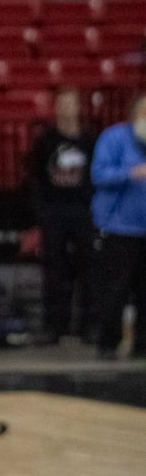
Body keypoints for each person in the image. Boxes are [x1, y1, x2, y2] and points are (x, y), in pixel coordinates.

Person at [27, 88, 96, 342]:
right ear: (56, 109)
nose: (67, 109)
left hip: (83, 212)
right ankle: (54, 326)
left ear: (79, 108)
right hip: (54, 213)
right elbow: (36, 178)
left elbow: (95, 177)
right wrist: (42, 212)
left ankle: (88, 326)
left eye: (71, 104)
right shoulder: (46, 141)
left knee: (88, 270)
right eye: (62, 104)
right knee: (54, 271)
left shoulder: (90, 140)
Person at [91, 93, 146, 358]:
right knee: (117, 289)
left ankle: (142, 345)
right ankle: (107, 342)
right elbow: (99, 174)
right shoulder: (114, 138)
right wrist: (129, 173)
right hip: (119, 229)